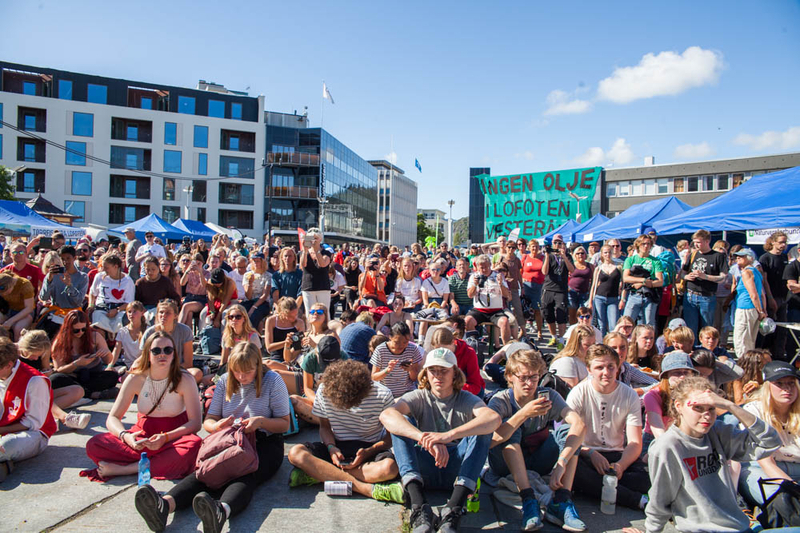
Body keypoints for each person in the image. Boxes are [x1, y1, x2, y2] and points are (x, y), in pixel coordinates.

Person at [134, 342, 289, 533]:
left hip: (264, 441)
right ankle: (164, 505)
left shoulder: (273, 381)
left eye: (247, 372)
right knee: (206, 471)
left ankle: (221, 510)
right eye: (237, 372)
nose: (241, 377)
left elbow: (284, 423)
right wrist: (217, 426)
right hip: (230, 438)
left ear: (258, 366)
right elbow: (209, 421)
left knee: (246, 473)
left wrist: (260, 422)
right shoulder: (225, 380)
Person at [622, 376, 781, 533]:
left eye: (711, 408)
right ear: (679, 406)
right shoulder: (667, 446)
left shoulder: (718, 432)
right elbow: (660, 499)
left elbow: (770, 442)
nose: (706, 415)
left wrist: (730, 406)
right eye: (698, 408)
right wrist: (651, 531)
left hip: (739, 526)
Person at [379, 348, 502, 533]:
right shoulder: (419, 396)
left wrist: (448, 436)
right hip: (425, 466)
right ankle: (419, 506)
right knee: (400, 422)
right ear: (425, 374)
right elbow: (387, 415)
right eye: (433, 371)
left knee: (483, 428)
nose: (438, 376)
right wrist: (424, 438)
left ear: (454, 373)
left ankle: (454, 508)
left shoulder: (467, 398)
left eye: (444, 370)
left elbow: (494, 419)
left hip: (457, 468)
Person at [488, 349, 587, 531]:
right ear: (510, 377)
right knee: (511, 429)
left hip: (537, 460)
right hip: (504, 464)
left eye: (534, 377)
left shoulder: (547, 396)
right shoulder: (500, 400)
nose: (529, 383)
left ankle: (562, 501)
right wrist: (523, 414)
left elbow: (578, 424)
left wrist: (562, 462)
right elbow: (490, 441)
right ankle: (528, 499)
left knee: (568, 431)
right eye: (523, 377)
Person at [83, 331, 202, 481]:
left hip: (174, 437)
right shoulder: (135, 378)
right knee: (94, 444)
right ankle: (156, 463)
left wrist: (165, 438)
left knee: (194, 445)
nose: (162, 354)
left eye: (168, 350)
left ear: (174, 353)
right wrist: (125, 436)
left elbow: (195, 423)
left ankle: (127, 469)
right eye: (156, 350)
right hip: (142, 436)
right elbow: (112, 417)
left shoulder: (185, 378)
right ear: (147, 353)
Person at [287, 359, 402, 502]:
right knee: (295, 453)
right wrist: (331, 447)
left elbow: (391, 438)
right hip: (337, 445)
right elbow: (325, 426)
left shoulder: (383, 395)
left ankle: (322, 473)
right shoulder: (325, 390)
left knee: (389, 468)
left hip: (370, 447)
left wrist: (369, 452)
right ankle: (366, 489)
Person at [567, 344, 650, 510]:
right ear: (589, 370)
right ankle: (636, 500)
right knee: (573, 471)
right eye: (599, 367)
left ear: (618, 367)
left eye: (610, 367)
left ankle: (598, 487)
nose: (606, 373)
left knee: (646, 478)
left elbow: (635, 442)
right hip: (585, 453)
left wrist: (621, 465)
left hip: (616, 455)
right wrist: (591, 454)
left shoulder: (629, 394)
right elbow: (567, 437)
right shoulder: (578, 393)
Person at [738, 361, 800, 507]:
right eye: (779, 383)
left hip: (797, 466)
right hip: (761, 468)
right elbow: (766, 462)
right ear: (767, 387)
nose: (787, 389)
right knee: (784, 500)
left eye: (791, 383)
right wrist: (795, 490)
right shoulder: (754, 411)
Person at [0, 336, 57, 481]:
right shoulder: (3, 373)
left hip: (33, 435)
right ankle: (5, 463)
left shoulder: (35, 381)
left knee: (6, 445)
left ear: (8, 365)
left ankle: (5, 460)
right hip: (4, 428)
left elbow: (34, 424)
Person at [51, 309, 119, 399]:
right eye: (76, 330)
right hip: (73, 377)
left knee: (112, 375)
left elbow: (109, 361)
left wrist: (106, 353)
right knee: (55, 379)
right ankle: (92, 394)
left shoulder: (94, 336)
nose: (80, 333)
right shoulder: (59, 342)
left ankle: (84, 393)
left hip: (93, 375)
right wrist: (76, 364)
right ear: (68, 329)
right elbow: (58, 369)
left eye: (83, 329)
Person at [642, 352, 699, 458]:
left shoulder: (696, 394)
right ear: (666, 376)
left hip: (686, 438)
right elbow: (659, 432)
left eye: (686, 372)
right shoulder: (653, 395)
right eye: (677, 373)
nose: (682, 377)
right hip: (655, 439)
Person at [680, 229, 729, 338]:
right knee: (691, 329)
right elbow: (682, 274)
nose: (696, 245)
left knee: (706, 329)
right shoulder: (692, 255)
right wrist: (687, 277)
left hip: (706, 297)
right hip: (690, 294)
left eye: (699, 242)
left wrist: (705, 276)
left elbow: (723, 278)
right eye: (694, 242)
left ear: (707, 241)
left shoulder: (717, 256)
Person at [141, 300, 201, 383]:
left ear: (175, 315)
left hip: (177, 369)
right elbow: (143, 359)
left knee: (196, 373)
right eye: (161, 312)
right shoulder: (150, 332)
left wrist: (169, 371)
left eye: (168, 313)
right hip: (155, 370)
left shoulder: (185, 331)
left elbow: (188, 363)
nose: (163, 316)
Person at [292, 335, 347, 424]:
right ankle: (335, 423)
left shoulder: (345, 358)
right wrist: (318, 402)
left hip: (338, 398)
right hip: (317, 398)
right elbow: (308, 388)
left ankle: (327, 422)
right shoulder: (310, 359)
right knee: (294, 400)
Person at [464, 255, 512, 346]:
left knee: (505, 321)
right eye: (482, 268)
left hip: (496, 310)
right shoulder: (474, 277)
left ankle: (507, 349)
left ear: (490, 265)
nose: (484, 270)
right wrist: (475, 284)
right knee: (467, 321)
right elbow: (470, 295)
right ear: (477, 267)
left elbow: (506, 295)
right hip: (479, 310)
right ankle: (473, 345)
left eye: (486, 267)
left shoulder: (498, 275)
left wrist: (501, 284)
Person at [729, 247, 767, 359]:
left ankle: (744, 368)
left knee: (741, 342)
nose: (738, 258)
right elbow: (762, 295)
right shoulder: (757, 272)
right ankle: (750, 368)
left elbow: (754, 294)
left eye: (742, 256)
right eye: (737, 256)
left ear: (750, 258)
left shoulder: (747, 272)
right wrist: (762, 311)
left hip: (746, 308)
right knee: (750, 342)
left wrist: (761, 311)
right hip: (754, 309)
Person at [370, 322, 423, 398]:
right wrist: (387, 370)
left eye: (405, 342)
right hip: (386, 393)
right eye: (397, 342)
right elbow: (374, 377)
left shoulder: (412, 349)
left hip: (407, 393)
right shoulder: (380, 350)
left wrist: (410, 370)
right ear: (390, 337)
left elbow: (414, 378)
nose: (401, 345)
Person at [429, 327, 485, 398]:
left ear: (453, 342)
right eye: (438, 350)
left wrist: (451, 386)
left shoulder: (469, 352)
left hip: (466, 389)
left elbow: (476, 387)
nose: (442, 353)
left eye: (445, 349)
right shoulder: (436, 354)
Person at [622, 235, 664, 328]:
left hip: (649, 296)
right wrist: (643, 280)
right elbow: (626, 278)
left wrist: (641, 283)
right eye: (643, 244)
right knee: (626, 322)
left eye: (648, 244)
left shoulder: (656, 261)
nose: (646, 246)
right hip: (634, 295)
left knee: (648, 325)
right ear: (638, 245)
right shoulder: (630, 260)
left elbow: (660, 281)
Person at [759, 231, 789, 360]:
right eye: (781, 242)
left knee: (782, 329)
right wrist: (770, 298)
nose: (783, 245)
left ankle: (779, 355)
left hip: (784, 297)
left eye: (785, 242)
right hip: (771, 297)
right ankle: (765, 355)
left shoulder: (784, 257)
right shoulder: (765, 258)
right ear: (773, 242)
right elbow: (764, 280)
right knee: (769, 329)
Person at [88, 254, 134, 336]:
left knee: (122, 323)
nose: (104, 270)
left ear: (115, 267)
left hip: (120, 308)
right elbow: (92, 293)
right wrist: (91, 304)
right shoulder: (99, 277)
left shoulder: (127, 281)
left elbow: (129, 302)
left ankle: (114, 338)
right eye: (103, 267)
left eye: (107, 268)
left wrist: (117, 309)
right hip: (102, 307)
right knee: (98, 323)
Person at [541, 235, 574, 347]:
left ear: (563, 244)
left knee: (561, 314)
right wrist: (546, 255)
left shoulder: (567, 256)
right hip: (548, 288)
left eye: (560, 243)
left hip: (561, 290)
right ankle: (553, 337)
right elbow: (544, 272)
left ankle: (561, 340)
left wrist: (564, 256)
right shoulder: (549, 256)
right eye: (555, 243)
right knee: (547, 313)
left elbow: (572, 270)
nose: (557, 245)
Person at [588, 244, 623, 336]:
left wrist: (622, 298)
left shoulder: (618, 267)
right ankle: (602, 345)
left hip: (614, 298)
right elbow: (593, 286)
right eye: (605, 252)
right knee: (601, 325)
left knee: (613, 325)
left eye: (609, 252)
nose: (608, 254)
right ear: (602, 254)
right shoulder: (598, 268)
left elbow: (623, 285)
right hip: (599, 297)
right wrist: (590, 301)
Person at [549, 324, 595, 389]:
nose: (592, 348)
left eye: (594, 344)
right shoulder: (566, 362)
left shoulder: (589, 359)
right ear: (576, 344)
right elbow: (572, 390)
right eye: (587, 345)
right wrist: (593, 377)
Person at [264, 297, 305, 366]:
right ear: (282, 313)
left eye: (296, 315)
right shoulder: (271, 321)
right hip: (276, 358)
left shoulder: (299, 323)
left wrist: (289, 358)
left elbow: (298, 347)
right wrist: (286, 342)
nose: (294, 318)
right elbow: (269, 347)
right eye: (290, 316)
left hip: (293, 357)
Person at [299, 228, 332, 314]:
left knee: (324, 313)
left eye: (316, 238)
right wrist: (305, 250)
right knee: (309, 313)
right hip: (308, 286)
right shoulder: (303, 252)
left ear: (320, 239)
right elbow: (302, 265)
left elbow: (322, 264)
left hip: (323, 287)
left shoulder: (326, 253)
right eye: (311, 238)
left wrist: (317, 249)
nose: (313, 240)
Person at [109, 301, 147, 370]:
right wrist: (110, 365)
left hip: (143, 365)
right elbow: (116, 350)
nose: (131, 314)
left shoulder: (148, 330)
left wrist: (137, 364)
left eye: (135, 311)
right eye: (129, 312)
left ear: (142, 313)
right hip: (127, 365)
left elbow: (147, 353)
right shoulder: (122, 331)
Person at [521, 240, 545, 342]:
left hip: (539, 286)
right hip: (526, 285)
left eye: (536, 246)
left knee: (537, 310)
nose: (534, 248)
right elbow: (520, 271)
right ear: (529, 248)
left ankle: (539, 331)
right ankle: (523, 331)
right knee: (525, 309)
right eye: (532, 247)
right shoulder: (525, 257)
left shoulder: (543, 257)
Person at [178, 254, 209, 326]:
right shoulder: (190, 272)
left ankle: (178, 328)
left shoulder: (206, 273)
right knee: (189, 313)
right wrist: (187, 271)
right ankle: (188, 334)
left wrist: (200, 272)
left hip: (200, 299)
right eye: (195, 263)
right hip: (189, 297)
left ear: (202, 263)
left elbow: (204, 285)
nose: (197, 265)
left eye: (199, 263)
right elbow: (182, 283)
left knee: (186, 306)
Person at [567, 246, 594, 325]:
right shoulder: (572, 265)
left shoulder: (590, 266)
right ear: (574, 255)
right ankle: (573, 330)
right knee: (572, 313)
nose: (580, 255)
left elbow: (593, 280)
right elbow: (565, 276)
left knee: (583, 313)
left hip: (584, 292)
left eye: (582, 253)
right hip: (571, 291)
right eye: (578, 253)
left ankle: (582, 329)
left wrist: (590, 291)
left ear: (585, 255)